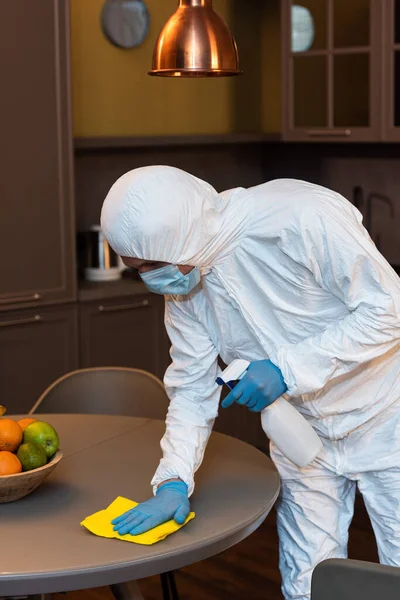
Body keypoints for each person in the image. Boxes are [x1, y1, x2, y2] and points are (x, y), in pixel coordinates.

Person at [100, 165, 400, 600]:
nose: (151, 279)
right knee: (307, 582)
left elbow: (388, 309)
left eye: (153, 265)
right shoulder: (185, 283)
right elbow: (191, 387)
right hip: (302, 438)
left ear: (180, 236)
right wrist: (173, 480)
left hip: (385, 419)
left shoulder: (300, 215)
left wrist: (287, 369)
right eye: (138, 269)